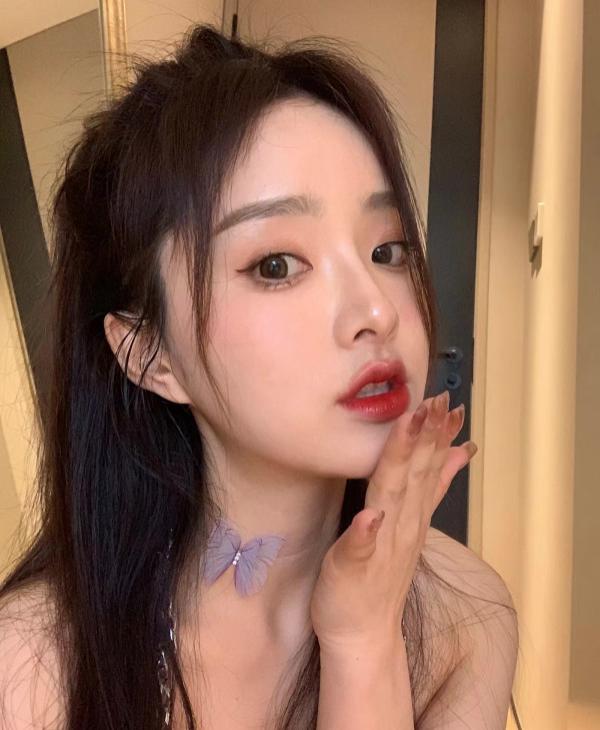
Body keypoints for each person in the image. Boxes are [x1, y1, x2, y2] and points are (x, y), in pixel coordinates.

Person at [0, 23, 518, 730]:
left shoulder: (468, 617)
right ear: (150, 354)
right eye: (277, 265)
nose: (375, 310)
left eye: (388, 249)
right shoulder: (29, 668)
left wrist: (365, 640)